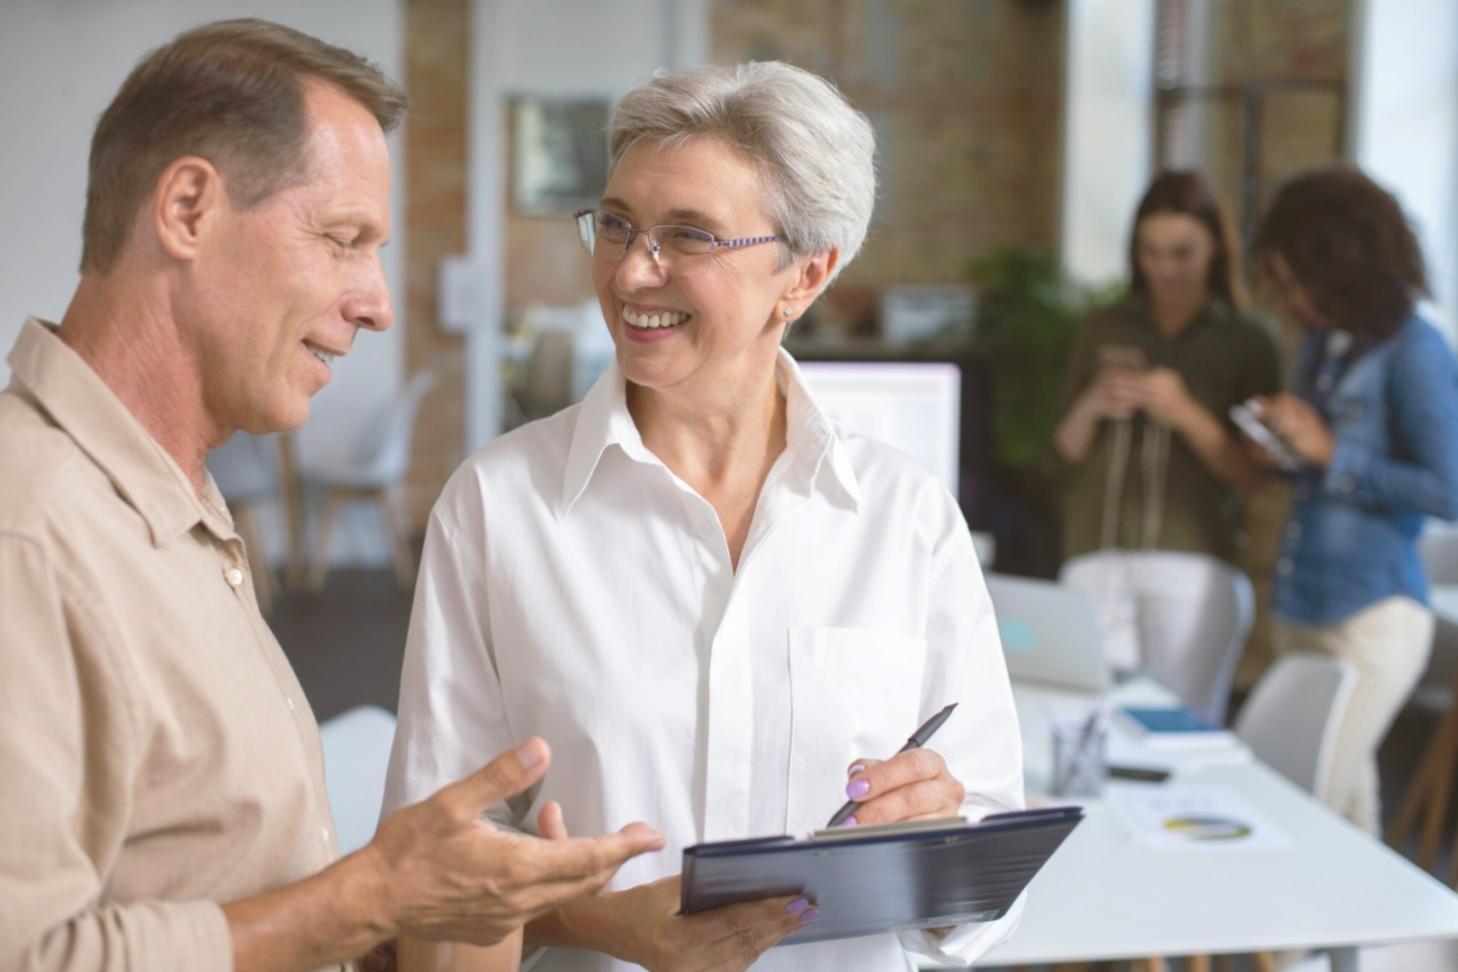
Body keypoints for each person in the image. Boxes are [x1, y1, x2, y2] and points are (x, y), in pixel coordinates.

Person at [0, 20, 663, 972]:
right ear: (187, 209)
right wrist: (370, 895)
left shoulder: (174, 499)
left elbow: (216, 881)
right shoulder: (29, 533)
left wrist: (440, 912)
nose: (378, 302)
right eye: (342, 239)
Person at [383, 62, 1024, 972]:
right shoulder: (496, 509)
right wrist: (586, 923)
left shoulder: (907, 522)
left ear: (804, 276)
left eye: (689, 236)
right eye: (616, 225)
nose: (634, 270)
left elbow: (985, 887)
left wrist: (940, 838)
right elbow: (427, 878)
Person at [1250, 167, 1458, 835]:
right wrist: (1282, 451)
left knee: (1302, 813)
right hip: (1302, 602)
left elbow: (1448, 489)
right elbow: (1318, 470)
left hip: (1372, 616)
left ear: (1340, 267)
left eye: (1294, 283)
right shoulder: (1322, 343)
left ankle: (1281, 946)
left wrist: (1330, 453)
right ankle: (1345, 945)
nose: (1290, 301)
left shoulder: (1417, 351)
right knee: (1344, 813)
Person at [1052, 171, 1282, 724]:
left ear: (1214, 251)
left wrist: (1185, 413)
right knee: (1088, 723)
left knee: (1180, 727)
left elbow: (1253, 475)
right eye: (1151, 251)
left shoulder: (1247, 339)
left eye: (1182, 253)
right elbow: (1061, 451)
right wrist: (1092, 404)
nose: (1164, 268)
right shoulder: (1103, 325)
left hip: (1194, 562)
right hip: (1096, 553)